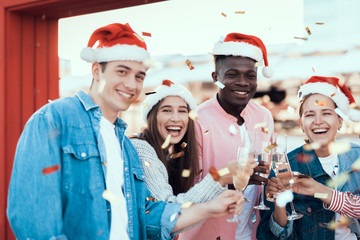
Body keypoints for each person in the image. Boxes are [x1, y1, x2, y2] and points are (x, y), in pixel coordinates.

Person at [7, 23, 242, 240]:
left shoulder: (126, 147)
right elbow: (31, 216)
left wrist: (209, 208)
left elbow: (148, 216)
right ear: (97, 70)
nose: (131, 84)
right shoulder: (55, 119)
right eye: (122, 71)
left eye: (139, 76)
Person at [178, 33, 275, 240]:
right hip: (206, 234)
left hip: (253, 232)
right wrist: (231, 180)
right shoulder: (195, 120)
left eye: (250, 75)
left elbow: (270, 165)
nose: (243, 83)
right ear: (215, 77)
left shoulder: (264, 116)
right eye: (232, 75)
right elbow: (184, 190)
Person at [257, 76, 360, 239]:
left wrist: (321, 191)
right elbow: (275, 236)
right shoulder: (286, 167)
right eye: (310, 115)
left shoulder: (356, 157)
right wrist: (279, 203)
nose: (318, 121)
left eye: (326, 113)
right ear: (301, 124)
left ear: (340, 121)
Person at [131, 79, 254, 204]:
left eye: (182, 111)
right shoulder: (141, 150)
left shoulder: (171, 155)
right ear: (151, 117)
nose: (175, 118)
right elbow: (168, 208)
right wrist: (218, 178)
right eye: (166, 110)